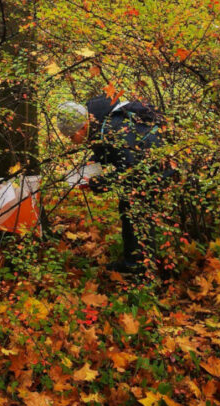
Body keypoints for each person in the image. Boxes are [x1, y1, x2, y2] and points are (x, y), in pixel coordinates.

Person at [57, 94, 173, 274]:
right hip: (144, 165)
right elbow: (108, 151)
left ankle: (141, 270)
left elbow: (129, 171)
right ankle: (134, 262)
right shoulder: (102, 122)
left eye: (72, 136)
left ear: (82, 127)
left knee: (136, 212)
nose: (72, 141)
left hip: (154, 168)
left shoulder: (115, 129)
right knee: (130, 209)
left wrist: (97, 183)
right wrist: (91, 165)